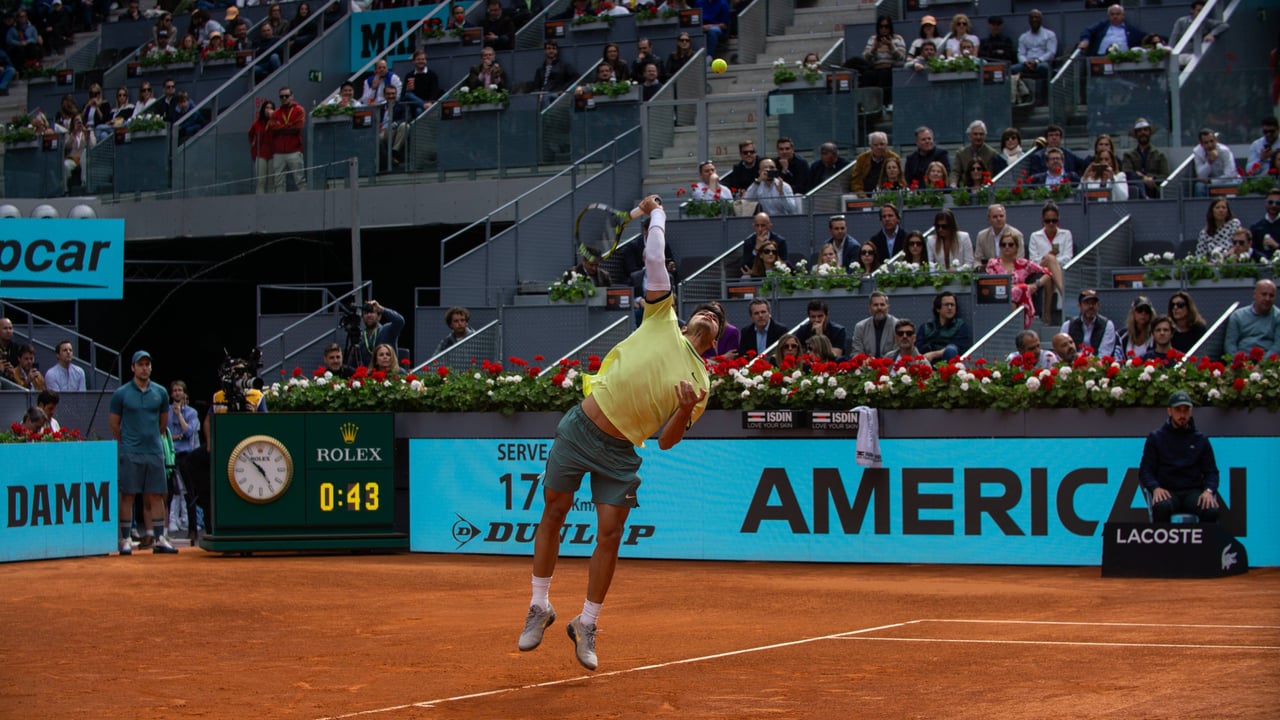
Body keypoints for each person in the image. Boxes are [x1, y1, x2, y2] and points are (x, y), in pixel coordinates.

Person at [516, 196, 720, 671]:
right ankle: (539, 606)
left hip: (621, 452)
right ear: (688, 316)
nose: (711, 314)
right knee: (553, 511)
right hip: (580, 428)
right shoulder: (661, 316)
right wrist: (657, 214)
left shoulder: (703, 383)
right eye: (705, 310)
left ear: (717, 340)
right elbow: (654, 255)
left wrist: (682, 410)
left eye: (718, 317)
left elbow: (667, 441)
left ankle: (586, 623)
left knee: (609, 535)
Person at [110, 351, 177, 555]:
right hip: (131, 452)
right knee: (128, 495)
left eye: (147, 364)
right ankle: (125, 539)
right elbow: (114, 424)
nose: (144, 368)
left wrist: (151, 439)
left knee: (157, 495)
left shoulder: (161, 392)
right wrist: (128, 443)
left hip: (154, 451)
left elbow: (163, 424)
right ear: (133, 368)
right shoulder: (121, 393)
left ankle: (160, 538)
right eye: (140, 365)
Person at [1139, 391, 1220, 523]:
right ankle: (1162, 538)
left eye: (1185, 410)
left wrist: (1208, 491)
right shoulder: (1156, 438)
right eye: (1178, 410)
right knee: (1161, 506)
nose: (1182, 415)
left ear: (1191, 411)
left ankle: (1205, 538)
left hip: (1193, 492)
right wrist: (1155, 488)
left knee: (1210, 509)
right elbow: (1145, 471)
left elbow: (1212, 472)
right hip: (1167, 490)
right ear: (1169, 411)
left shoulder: (1201, 439)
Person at [987, 230, 1050, 327]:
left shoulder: (1023, 263)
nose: (1007, 247)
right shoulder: (993, 263)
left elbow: (1047, 273)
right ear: (1000, 247)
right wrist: (1017, 288)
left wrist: (1035, 285)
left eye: (1010, 244)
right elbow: (992, 282)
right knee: (1019, 291)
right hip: (999, 297)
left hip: (1020, 301)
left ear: (1016, 248)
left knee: (1020, 292)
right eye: (1003, 245)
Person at [1224, 279, 1280, 357]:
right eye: (1264, 294)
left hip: (1268, 361)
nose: (1267, 299)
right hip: (1242, 359)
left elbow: (1277, 346)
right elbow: (1230, 345)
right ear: (1255, 294)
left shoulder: (1278, 317)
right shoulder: (1238, 316)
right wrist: (1238, 361)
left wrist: (1264, 362)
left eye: (1271, 296)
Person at [861, 14, 905, 108]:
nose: (883, 29)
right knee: (867, 75)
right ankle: (868, 105)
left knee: (885, 75)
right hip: (876, 67)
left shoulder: (898, 38)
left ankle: (885, 104)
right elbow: (865, 57)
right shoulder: (873, 39)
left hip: (890, 68)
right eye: (881, 27)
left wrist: (890, 46)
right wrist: (874, 48)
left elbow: (901, 57)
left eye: (886, 27)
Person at [268, 86, 306, 192]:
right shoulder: (276, 113)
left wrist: (280, 127)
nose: (284, 98)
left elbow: (297, 127)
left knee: (299, 180)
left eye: (286, 96)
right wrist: (289, 126)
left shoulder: (299, 110)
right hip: (279, 152)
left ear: (292, 96)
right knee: (278, 182)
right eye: (281, 96)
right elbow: (272, 128)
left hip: (294, 150)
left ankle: (305, 199)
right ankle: (280, 201)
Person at [1121, 117, 1169, 199]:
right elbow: (1126, 173)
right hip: (1136, 193)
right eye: (1139, 131)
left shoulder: (1160, 155)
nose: (1142, 132)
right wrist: (1143, 178)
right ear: (1136, 134)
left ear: (1149, 132)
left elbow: (1165, 176)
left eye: (1145, 130)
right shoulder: (1128, 155)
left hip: (1155, 192)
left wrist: (1152, 179)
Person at [918, 290, 971, 363]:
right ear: (938, 309)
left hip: (949, 363)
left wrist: (934, 354)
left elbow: (958, 347)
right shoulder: (927, 326)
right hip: (927, 362)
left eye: (952, 305)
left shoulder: (960, 326)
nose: (950, 308)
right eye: (946, 305)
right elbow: (918, 347)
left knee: (951, 350)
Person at [1062, 289, 1117, 358]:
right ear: (1079, 306)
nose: (1091, 306)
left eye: (1093, 303)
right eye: (1087, 303)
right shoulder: (1068, 325)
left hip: (1098, 363)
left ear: (1098, 305)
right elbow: (1063, 350)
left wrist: (1093, 362)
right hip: (1074, 362)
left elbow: (1105, 353)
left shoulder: (1107, 325)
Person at [950, 120, 1007, 186]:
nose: (978, 137)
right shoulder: (961, 154)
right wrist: (953, 184)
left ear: (985, 136)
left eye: (981, 134)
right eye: (975, 134)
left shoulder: (992, 154)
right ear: (969, 136)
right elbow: (955, 172)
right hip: (966, 188)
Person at [353, 300, 405, 368]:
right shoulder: (361, 337)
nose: (369, 315)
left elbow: (400, 321)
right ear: (362, 318)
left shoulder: (387, 329)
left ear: (379, 316)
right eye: (366, 313)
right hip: (370, 373)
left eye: (372, 312)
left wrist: (382, 309)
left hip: (389, 372)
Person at [1077, 4, 1145, 55]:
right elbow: (1087, 31)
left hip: (1123, 58)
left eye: (1118, 14)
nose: (1115, 16)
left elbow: (1144, 37)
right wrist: (1085, 40)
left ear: (1123, 16)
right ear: (1108, 16)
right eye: (1112, 14)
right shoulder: (1102, 25)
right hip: (1101, 57)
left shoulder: (1131, 30)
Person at [849, 131, 900, 195]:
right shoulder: (862, 159)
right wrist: (862, 195)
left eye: (882, 144)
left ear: (886, 145)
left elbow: (900, 178)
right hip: (865, 195)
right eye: (876, 145)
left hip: (887, 194)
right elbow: (856, 181)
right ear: (871, 146)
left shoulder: (894, 157)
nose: (879, 147)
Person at [849, 292, 897, 358]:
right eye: (875, 305)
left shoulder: (896, 326)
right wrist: (865, 360)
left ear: (888, 308)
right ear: (869, 308)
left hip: (890, 363)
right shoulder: (860, 327)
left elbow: (898, 352)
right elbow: (856, 352)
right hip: (867, 363)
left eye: (882, 304)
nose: (879, 308)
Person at [1191, 128, 1236, 197]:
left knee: (1231, 188)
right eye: (1206, 143)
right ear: (1201, 144)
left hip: (1226, 181)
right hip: (1209, 184)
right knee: (1199, 186)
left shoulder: (1224, 151)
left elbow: (1230, 175)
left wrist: (1211, 181)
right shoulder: (1197, 152)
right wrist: (1210, 161)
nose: (1210, 145)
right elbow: (1200, 176)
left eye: (1212, 141)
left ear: (1216, 140)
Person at [531, 39, 576, 106]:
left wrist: (563, 89)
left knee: (546, 97)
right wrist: (538, 95)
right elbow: (536, 86)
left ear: (557, 51)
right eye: (549, 48)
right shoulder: (540, 69)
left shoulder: (563, 66)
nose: (551, 51)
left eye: (553, 48)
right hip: (542, 95)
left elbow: (575, 77)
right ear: (545, 50)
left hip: (556, 94)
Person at [248, 100, 275, 194]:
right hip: (261, 154)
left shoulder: (275, 121)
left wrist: (273, 118)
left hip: (273, 154)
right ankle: (260, 199)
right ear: (263, 109)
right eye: (267, 108)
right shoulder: (258, 123)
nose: (269, 110)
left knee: (271, 181)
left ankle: (271, 200)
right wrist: (253, 142)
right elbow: (250, 133)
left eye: (271, 108)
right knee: (261, 181)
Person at [1250, 187, 1280, 257]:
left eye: (1278, 203)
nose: (1274, 205)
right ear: (1265, 203)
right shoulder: (1256, 227)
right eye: (1270, 202)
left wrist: (1276, 245)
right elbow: (1251, 251)